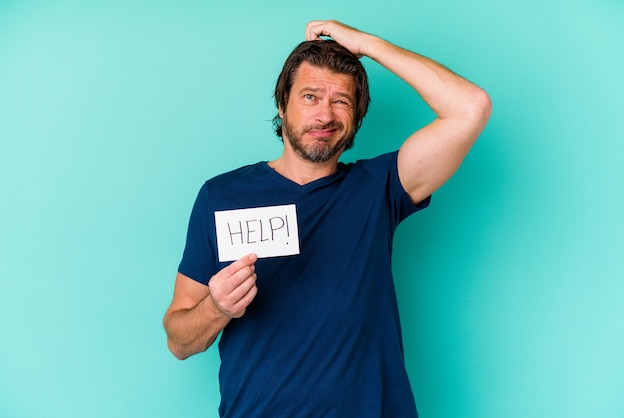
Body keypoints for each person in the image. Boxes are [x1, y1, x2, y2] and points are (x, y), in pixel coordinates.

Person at [163, 20, 491, 418]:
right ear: (282, 104)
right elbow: (180, 341)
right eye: (311, 96)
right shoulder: (222, 196)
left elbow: (470, 107)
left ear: (356, 117)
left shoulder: (380, 187)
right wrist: (217, 307)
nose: (325, 114)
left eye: (342, 101)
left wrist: (366, 45)